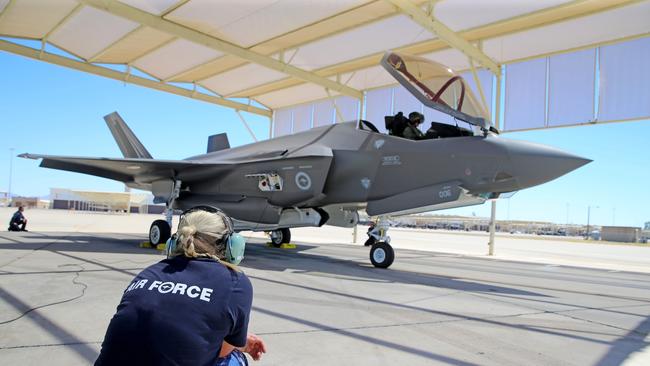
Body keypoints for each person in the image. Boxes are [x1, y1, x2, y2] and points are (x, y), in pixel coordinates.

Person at [95, 206, 266, 366]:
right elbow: (221, 351)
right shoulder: (235, 282)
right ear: (232, 245)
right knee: (235, 358)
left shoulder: (149, 272)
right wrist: (241, 345)